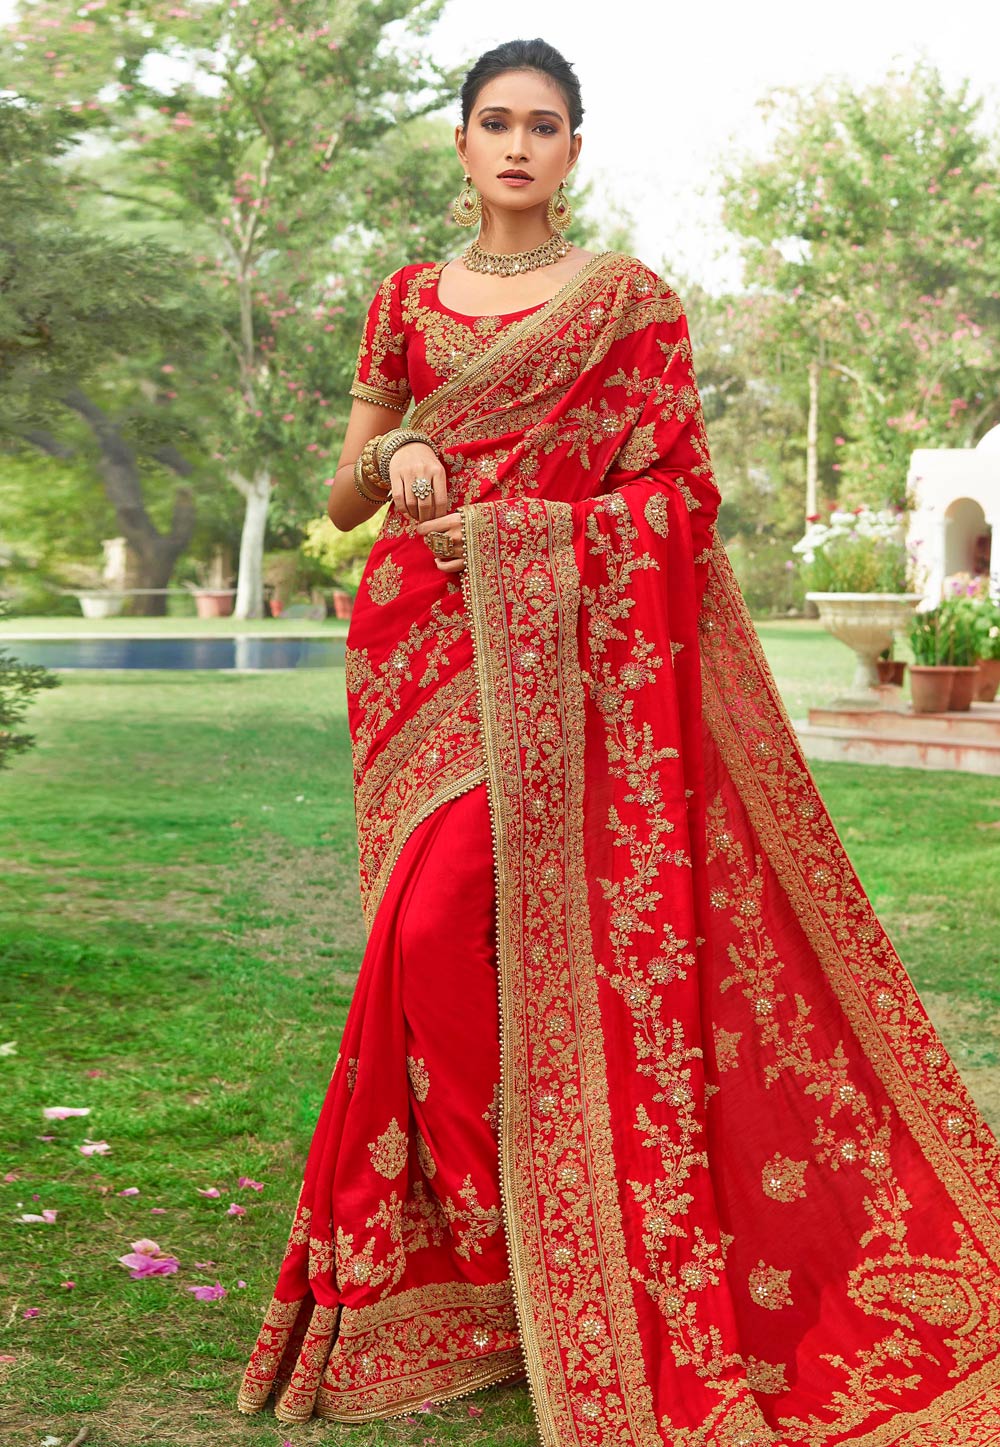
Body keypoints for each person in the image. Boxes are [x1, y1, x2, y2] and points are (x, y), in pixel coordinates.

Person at [236, 38, 1000, 1444]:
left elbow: (679, 499)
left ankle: (552, 1229)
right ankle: (498, 1257)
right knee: (419, 944)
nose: (517, 146)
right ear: (460, 145)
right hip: (428, 665)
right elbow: (348, 498)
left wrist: (527, 533)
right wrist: (399, 457)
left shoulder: (630, 304)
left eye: (543, 126)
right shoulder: (406, 298)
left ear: (574, 151)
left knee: (472, 923)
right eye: (493, 124)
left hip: (574, 678)